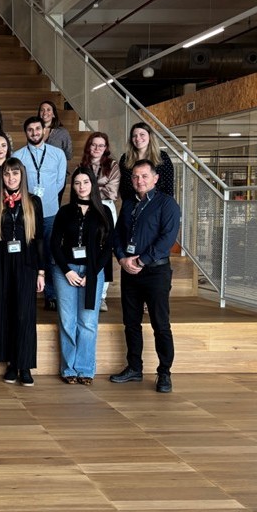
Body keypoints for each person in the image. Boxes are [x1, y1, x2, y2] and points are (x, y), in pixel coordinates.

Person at [110, 159, 181, 393]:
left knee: (160, 324)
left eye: (144, 176)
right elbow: (117, 235)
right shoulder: (129, 203)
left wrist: (141, 261)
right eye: (135, 177)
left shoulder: (167, 204)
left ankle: (164, 373)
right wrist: (122, 259)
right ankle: (134, 368)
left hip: (155, 272)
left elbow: (167, 239)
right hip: (130, 271)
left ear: (155, 178)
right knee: (131, 323)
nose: (139, 180)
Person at [0, 158, 45, 386]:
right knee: (5, 312)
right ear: (2, 177)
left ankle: (24, 365)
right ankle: (10, 363)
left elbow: (39, 239)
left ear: (22, 176)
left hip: (26, 264)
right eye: (7, 174)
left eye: (15, 174)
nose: (11, 178)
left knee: (24, 314)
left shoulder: (34, 202)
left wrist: (41, 272)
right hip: (0, 264)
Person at [50, 167, 114, 384]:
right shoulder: (64, 212)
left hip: (92, 271)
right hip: (65, 271)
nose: (81, 186)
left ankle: (85, 369)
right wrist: (66, 271)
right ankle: (69, 369)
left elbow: (108, 247)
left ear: (92, 184)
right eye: (77, 183)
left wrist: (92, 274)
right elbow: (54, 244)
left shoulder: (104, 211)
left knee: (88, 321)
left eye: (85, 182)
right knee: (67, 321)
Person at [13, 115, 66, 311]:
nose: (34, 133)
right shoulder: (18, 156)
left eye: (37, 129)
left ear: (44, 130)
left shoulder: (58, 154)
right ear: (25, 133)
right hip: (27, 213)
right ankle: (26, 293)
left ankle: (51, 295)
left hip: (51, 212)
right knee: (27, 252)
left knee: (51, 253)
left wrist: (46, 197)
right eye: (30, 130)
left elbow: (59, 183)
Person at [80, 132, 120, 310]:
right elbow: (79, 190)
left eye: (101, 145)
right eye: (93, 144)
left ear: (106, 148)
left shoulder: (112, 165)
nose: (97, 148)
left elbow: (113, 192)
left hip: (105, 209)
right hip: (86, 209)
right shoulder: (82, 165)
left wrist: (90, 189)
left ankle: (102, 295)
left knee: (104, 250)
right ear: (89, 146)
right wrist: (100, 186)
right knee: (88, 248)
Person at [118, 122, 175, 201]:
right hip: (132, 202)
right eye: (134, 136)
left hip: (157, 203)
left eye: (142, 134)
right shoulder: (125, 158)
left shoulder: (162, 157)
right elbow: (123, 186)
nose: (138, 138)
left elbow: (168, 186)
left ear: (150, 137)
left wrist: (165, 204)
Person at [38, 100, 72, 165]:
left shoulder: (62, 132)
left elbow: (68, 155)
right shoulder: (34, 131)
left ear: (53, 114)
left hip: (56, 169)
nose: (45, 112)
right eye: (42, 110)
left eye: (48, 110)